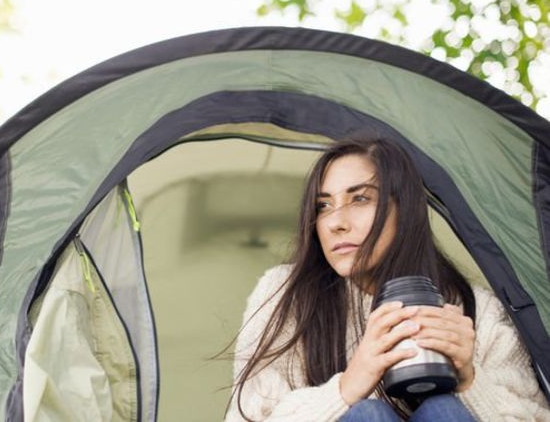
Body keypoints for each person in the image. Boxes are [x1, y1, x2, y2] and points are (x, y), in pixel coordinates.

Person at [225, 137, 550, 421]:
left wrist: (470, 381)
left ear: (405, 210)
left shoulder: (477, 310)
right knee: (368, 414)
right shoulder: (285, 295)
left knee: (444, 411)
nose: (335, 222)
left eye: (360, 198)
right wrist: (346, 388)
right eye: (323, 205)